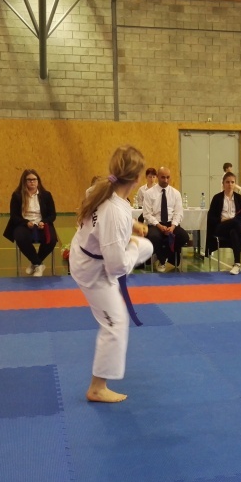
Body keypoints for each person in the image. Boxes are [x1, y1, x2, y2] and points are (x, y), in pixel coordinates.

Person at [70, 145, 154, 403]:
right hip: (94, 271)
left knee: (147, 246)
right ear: (137, 178)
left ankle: (130, 246)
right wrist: (131, 247)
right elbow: (116, 268)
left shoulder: (100, 189)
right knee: (116, 323)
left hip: (84, 251)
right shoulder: (115, 211)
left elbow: (108, 221)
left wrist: (132, 225)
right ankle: (97, 388)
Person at [3, 169, 58, 277]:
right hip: (24, 224)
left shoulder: (46, 195)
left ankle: (35, 263)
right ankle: (39, 264)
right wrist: (26, 222)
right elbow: (14, 216)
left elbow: (52, 215)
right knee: (20, 237)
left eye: (34, 179)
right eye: (29, 180)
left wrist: (43, 222)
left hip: (42, 224)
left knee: (51, 240)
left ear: (38, 181)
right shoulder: (17, 195)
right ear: (24, 181)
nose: (32, 182)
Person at [206, 172, 241, 275]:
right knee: (235, 222)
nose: (230, 184)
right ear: (223, 183)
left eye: (232, 182)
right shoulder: (217, 198)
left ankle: (237, 264)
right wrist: (222, 220)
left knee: (234, 232)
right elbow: (211, 217)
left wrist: (234, 221)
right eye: (227, 182)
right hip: (220, 227)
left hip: (234, 227)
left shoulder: (239, 198)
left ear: (235, 184)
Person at [141, 167, 190, 272]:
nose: (166, 180)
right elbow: (147, 214)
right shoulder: (149, 193)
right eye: (163, 177)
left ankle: (163, 256)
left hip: (170, 223)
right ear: (158, 177)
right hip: (155, 224)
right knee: (154, 236)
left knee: (184, 237)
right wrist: (159, 225)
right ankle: (163, 261)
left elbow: (178, 213)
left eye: (168, 177)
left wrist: (173, 226)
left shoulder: (176, 193)